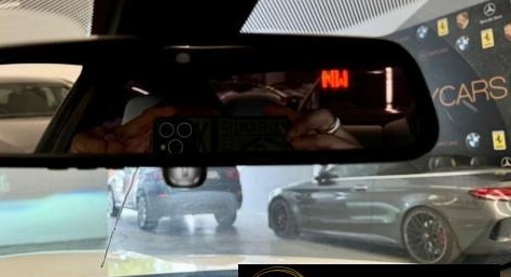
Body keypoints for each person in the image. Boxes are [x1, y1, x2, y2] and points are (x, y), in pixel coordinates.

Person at [69, 103, 361, 154]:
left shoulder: (302, 148)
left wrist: (333, 135)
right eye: (174, 130)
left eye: (207, 129)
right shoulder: (120, 151)